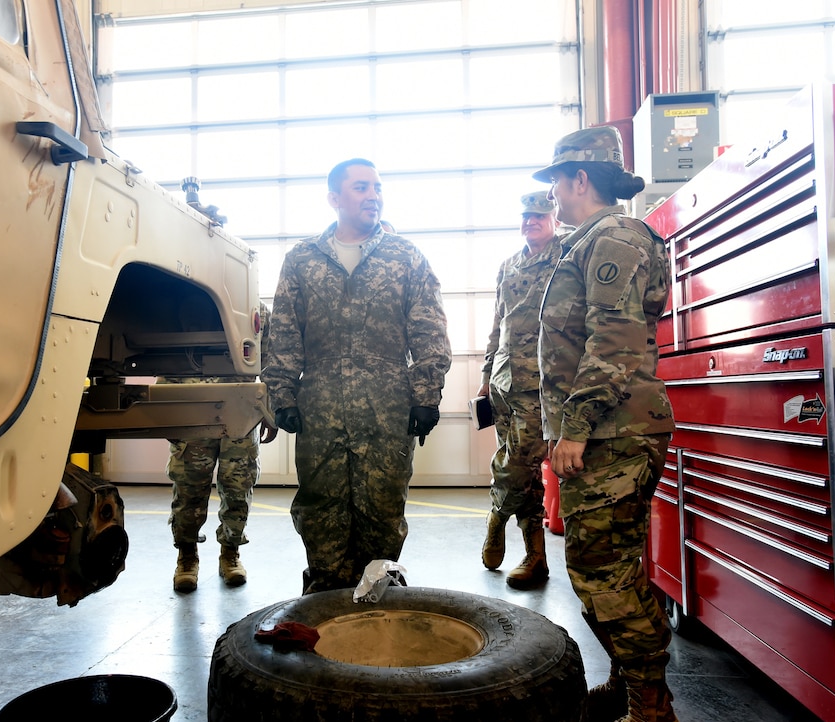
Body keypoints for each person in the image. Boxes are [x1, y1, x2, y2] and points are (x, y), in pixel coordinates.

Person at [533, 126, 678, 722]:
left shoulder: (614, 237)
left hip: (612, 433)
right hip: (606, 431)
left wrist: (576, 428)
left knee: (602, 572)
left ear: (580, 179)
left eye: (557, 184)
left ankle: (650, 705)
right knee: (610, 566)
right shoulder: (590, 239)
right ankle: (627, 681)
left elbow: (614, 341)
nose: (553, 198)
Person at [263, 158, 452, 595]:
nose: (374, 196)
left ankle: (379, 583)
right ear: (334, 199)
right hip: (321, 401)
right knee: (320, 501)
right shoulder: (302, 260)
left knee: (383, 502)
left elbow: (429, 329)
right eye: (361, 188)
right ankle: (326, 588)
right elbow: (286, 331)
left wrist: (426, 395)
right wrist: (283, 394)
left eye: (378, 188)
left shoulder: (405, 256)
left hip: (387, 402)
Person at [476, 192, 563, 589]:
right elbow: (499, 323)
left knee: (516, 464)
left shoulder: (566, 258)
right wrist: (485, 372)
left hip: (541, 386)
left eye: (539, 216)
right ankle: (536, 558)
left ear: (554, 219)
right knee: (526, 475)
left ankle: (495, 519)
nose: (531, 222)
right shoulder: (508, 264)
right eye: (526, 216)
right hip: (503, 381)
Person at [167, 303, 277, 593]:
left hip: (240, 410)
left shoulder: (256, 309)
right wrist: (162, 410)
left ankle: (230, 553)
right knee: (189, 486)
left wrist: (270, 408)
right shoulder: (180, 300)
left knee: (238, 486)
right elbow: (163, 356)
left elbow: (273, 361)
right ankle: (186, 557)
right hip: (191, 407)